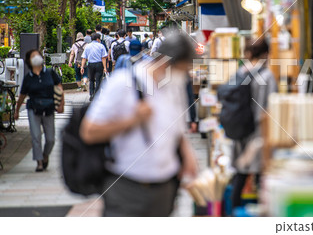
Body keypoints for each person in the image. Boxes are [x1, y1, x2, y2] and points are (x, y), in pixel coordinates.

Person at [80, 33, 199, 217]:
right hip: (127, 186)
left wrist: (187, 154)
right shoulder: (123, 83)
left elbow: (176, 125)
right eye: (182, 69)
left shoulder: (175, 84)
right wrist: (133, 120)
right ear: (166, 63)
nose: (185, 75)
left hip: (166, 186)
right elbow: (89, 131)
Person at [231, 39, 277, 209]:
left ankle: (232, 214)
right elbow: (271, 106)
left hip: (240, 129)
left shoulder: (240, 73)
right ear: (265, 54)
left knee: (240, 174)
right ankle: (261, 213)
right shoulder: (266, 76)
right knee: (260, 176)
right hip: (258, 132)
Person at [14, 49, 64, 172]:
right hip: (33, 108)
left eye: (38, 55)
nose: (36, 57)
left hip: (49, 107)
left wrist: (61, 103)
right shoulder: (28, 77)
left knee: (51, 139)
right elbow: (22, 95)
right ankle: (39, 162)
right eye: (33, 56)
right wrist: (17, 110)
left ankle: (45, 155)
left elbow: (59, 87)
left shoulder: (50, 73)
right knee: (36, 136)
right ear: (29, 61)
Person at [81, 33, 108, 101]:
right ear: (97, 39)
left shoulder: (88, 46)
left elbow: (84, 57)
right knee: (98, 80)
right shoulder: (101, 46)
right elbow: (103, 58)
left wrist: (82, 67)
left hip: (90, 65)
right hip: (99, 64)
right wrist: (104, 67)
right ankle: (96, 94)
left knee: (91, 80)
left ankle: (91, 94)